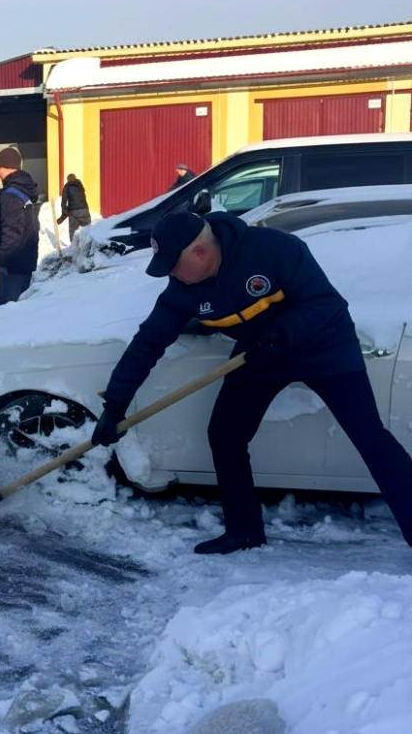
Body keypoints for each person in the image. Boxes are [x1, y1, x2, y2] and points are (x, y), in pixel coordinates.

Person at [91, 211, 412, 555]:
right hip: (259, 355)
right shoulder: (183, 290)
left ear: (200, 252)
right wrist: (115, 406)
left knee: (369, 435)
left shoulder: (274, 249)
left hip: (324, 346)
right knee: (225, 434)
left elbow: (324, 302)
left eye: (173, 265)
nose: (171, 273)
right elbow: (147, 344)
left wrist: (279, 334)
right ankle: (243, 531)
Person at [0, 147, 40, 307]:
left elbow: (11, 231)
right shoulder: (24, 189)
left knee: (4, 312)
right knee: (18, 310)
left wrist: (2, 262)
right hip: (24, 260)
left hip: (12, 264)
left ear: (8, 167)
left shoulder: (10, 194)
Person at [56, 172, 92, 242]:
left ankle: (74, 246)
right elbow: (83, 198)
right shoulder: (80, 185)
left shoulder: (67, 187)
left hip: (74, 212)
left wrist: (64, 214)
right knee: (88, 231)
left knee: (73, 232)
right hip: (84, 211)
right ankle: (88, 245)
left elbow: (63, 202)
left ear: (68, 180)